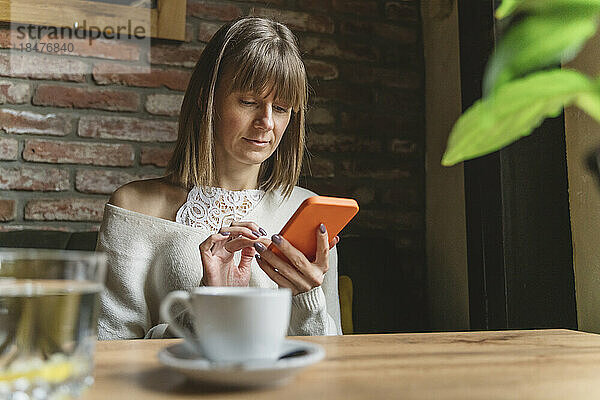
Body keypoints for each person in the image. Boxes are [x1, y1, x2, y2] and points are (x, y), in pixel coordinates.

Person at [96, 17, 342, 339]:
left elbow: (333, 356)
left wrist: (306, 299)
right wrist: (205, 312)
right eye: (249, 102)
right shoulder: (135, 206)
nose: (266, 122)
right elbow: (108, 351)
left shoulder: (309, 211)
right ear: (206, 99)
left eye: (281, 108)